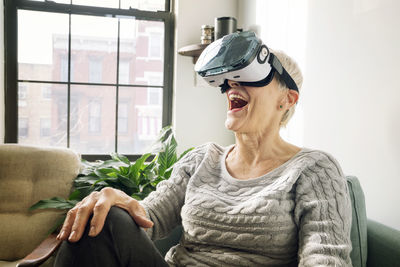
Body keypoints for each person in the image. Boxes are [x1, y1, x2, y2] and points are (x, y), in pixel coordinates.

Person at [55, 31, 352, 266]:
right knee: (102, 214)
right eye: (230, 78)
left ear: (286, 100)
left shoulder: (314, 169)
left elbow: (325, 257)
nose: (232, 85)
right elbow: (150, 217)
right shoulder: (202, 159)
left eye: (250, 75)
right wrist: (117, 200)